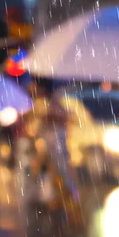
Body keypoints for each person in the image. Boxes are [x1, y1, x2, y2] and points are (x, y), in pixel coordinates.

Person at [27, 81, 81, 222]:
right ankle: (53, 203)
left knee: (62, 174)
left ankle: (65, 202)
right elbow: (35, 128)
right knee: (49, 176)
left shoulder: (63, 105)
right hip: (49, 153)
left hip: (58, 154)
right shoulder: (42, 108)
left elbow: (70, 121)